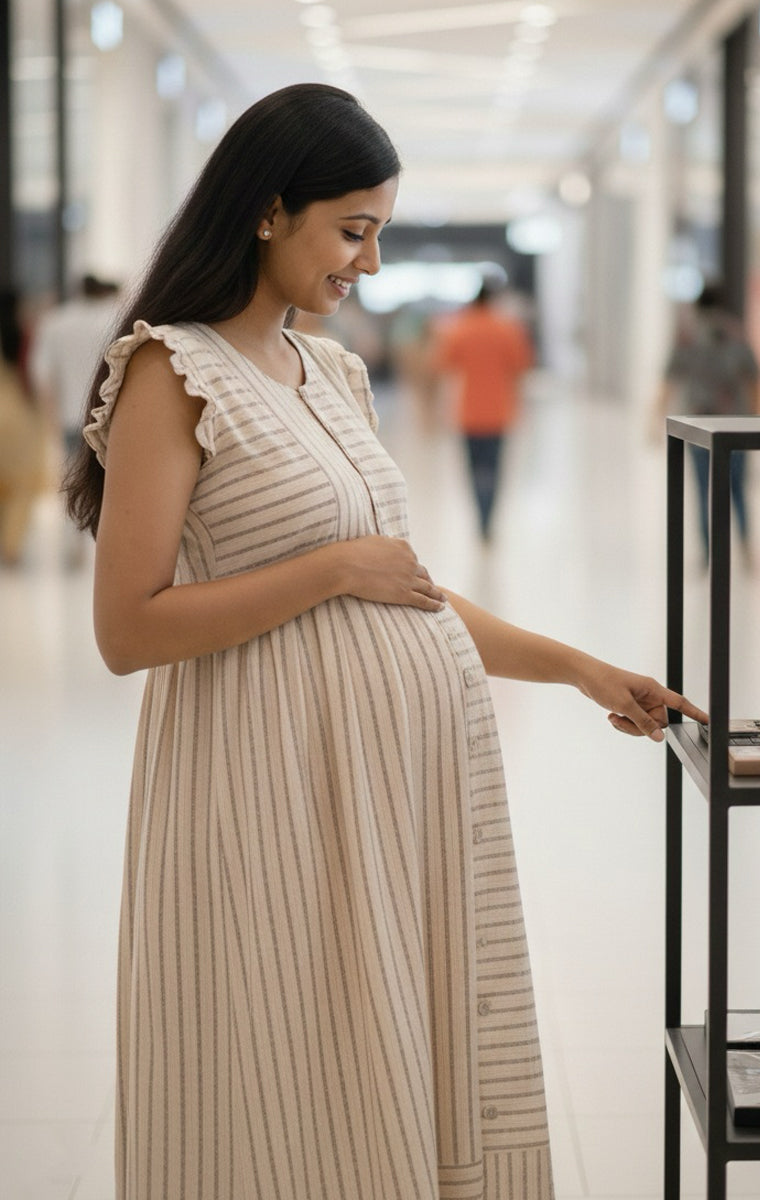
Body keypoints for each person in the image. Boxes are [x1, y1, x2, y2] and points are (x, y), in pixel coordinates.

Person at [63, 84, 707, 1200]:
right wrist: (327, 569)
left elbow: (402, 590)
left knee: (382, 1065)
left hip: (394, 792)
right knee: (281, 1076)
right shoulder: (171, 369)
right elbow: (127, 630)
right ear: (269, 210)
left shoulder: (333, 371)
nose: (368, 262)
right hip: (266, 785)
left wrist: (582, 670)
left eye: (380, 233)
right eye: (352, 229)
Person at [656, 283, 760, 562]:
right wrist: (758, 417)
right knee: (737, 489)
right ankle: (746, 547)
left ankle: (708, 553)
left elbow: (668, 381)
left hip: (698, 424)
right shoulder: (735, 333)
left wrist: (655, 418)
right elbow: (754, 379)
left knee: (703, 490)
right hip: (735, 425)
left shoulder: (687, 336)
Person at [30, 273, 120, 566]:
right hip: (112, 416)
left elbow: (41, 374)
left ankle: (74, 547)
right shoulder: (116, 320)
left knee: (72, 481)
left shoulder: (56, 322)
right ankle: (110, 550)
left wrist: (49, 416)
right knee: (114, 484)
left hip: (70, 416)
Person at [433, 281, 534, 541]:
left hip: (468, 412)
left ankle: (480, 516)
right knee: (494, 469)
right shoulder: (507, 329)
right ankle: (488, 520)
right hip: (499, 411)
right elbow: (521, 366)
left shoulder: (459, 328)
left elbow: (443, 364)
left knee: (473, 469)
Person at [0, 291, 46, 566]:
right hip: (20, 416)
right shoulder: (24, 337)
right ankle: (12, 547)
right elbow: (34, 377)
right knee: (22, 487)